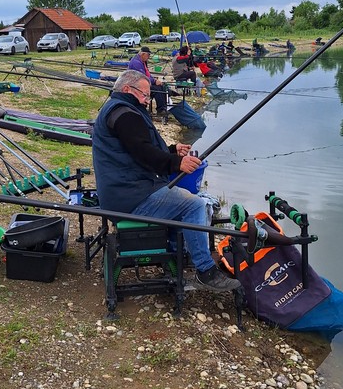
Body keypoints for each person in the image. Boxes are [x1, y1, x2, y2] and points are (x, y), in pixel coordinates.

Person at [92, 70, 241, 293]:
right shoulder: (125, 113)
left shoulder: (119, 109)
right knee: (195, 204)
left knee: (187, 200)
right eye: (144, 94)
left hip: (125, 190)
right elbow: (142, 152)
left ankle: (178, 253)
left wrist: (172, 151)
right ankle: (205, 271)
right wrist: (176, 163)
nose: (147, 99)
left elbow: (135, 148)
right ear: (127, 90)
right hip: (129, 197)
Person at [127, 46, 168, 113]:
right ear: (143, 54)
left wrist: (154, 80)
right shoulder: (136, 63)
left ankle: (163, 108)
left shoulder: (141, 61)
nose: (149, 57)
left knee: (161, 87)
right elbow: (142, 77)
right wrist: (154, 81)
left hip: (140, 82)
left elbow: (147, 74)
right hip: (135, 84)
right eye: (148, 55)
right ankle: (161, 110)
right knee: (157, 89)